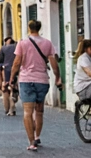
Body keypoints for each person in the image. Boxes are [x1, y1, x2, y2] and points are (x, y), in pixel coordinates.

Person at [11, 19, 60, 151]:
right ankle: (37, 136)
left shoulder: (22, 43)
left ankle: (32, 142)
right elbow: (53, 63)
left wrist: (11, 78)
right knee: (39, 111)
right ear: (39, 28)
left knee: (27, 112)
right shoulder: (47, 43)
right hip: (42, 80)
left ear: (29, 28)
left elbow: (16, 62)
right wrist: (58, 77)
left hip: (26, 80)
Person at [0, 36, 18, 116]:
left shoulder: (3, 48)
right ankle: (13, 102)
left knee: (5, 89)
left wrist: (1, 69)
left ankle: (7, 109)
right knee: (14, 87)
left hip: (6, 71)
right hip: (17, 70)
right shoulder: (17, 47)